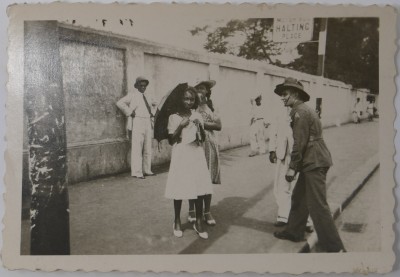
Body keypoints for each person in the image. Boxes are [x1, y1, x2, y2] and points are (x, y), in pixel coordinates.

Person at [273, 77, 346, 253]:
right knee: (299, 197)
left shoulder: (299, 112)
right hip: (313, 159)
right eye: (281, 95)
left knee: (318, 206)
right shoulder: (303, 110)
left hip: (313, 161)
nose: (282, 97)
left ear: (295, 94)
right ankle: (294, 232)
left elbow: (300, 143)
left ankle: (335, 248)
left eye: (285, 94)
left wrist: (292, 167)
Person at [165, 86, 213, 239]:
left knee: (199, 186)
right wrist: (181, 125)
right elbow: (172, 140)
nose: (189, 101)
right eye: (186, 98)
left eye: (191, 99)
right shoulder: (174, 117)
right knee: (180, 186)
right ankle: (177, 220)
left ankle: (198, 221)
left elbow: (203, 139)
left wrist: (200, 127)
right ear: (181, 99)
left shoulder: (197, 115)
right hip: (181, 154)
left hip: (196, 153)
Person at [268, 105, 314, 232]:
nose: (284, 98)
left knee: (299, 189)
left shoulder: (304, 111)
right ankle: (283, 216)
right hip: (283, 154)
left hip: (298, 156)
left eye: (286, 94)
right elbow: (274, 130)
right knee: (281, 187)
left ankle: (306, 221)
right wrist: (272, 150)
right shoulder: (279, 111)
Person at [187, 83, 222, 226]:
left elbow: (218, 125)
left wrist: (201, 122)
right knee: (193, 177)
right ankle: (191, 209)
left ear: (207, 91)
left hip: (209, 144)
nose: (200, 91)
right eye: (197, 89)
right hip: (195, 144)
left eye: (203, 88)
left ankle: (207, 211)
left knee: (207, 178)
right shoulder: (191, 106)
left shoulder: (212, 107)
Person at [116, 76, 156, 179]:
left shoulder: (148, 96)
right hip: (137, 121)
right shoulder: (132, 95)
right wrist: (129, 111)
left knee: (147, 147)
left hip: (147, 121)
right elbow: (120, 103)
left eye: (144, 86)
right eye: (141, 85)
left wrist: (152, 112)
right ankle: (137, 172)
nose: (143, 87)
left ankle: (147, 170)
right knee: (137, 147)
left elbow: (153, 105)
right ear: (137, 86)